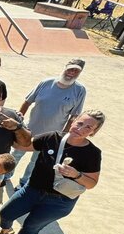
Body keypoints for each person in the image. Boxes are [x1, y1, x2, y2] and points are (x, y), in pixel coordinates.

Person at [0, 110, 104, 234]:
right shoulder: (52, 137)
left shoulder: (92, 153)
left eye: (88, 127)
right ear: (73, 121)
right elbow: (24, 145)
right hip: (32, 190)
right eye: (79, 123)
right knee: (6, 213)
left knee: (32, 225)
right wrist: (15, 128)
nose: (80, 129)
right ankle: (6, 230)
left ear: (94, 132)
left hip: (60, 202)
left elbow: (92, 183)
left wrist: (76, 175)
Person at [15, 59, 87, 187]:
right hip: (29, 130)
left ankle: (23, 183)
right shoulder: (46, 83)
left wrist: (63, 135)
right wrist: (18, 121)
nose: (72, 73)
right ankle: (4, 176)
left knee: (35, 162)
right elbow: (27, 101)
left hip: (50, 137)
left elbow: (74, 116)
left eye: (76, 71)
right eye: (70, 69)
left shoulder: (80, 90)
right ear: (65, 67)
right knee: (16, 154)